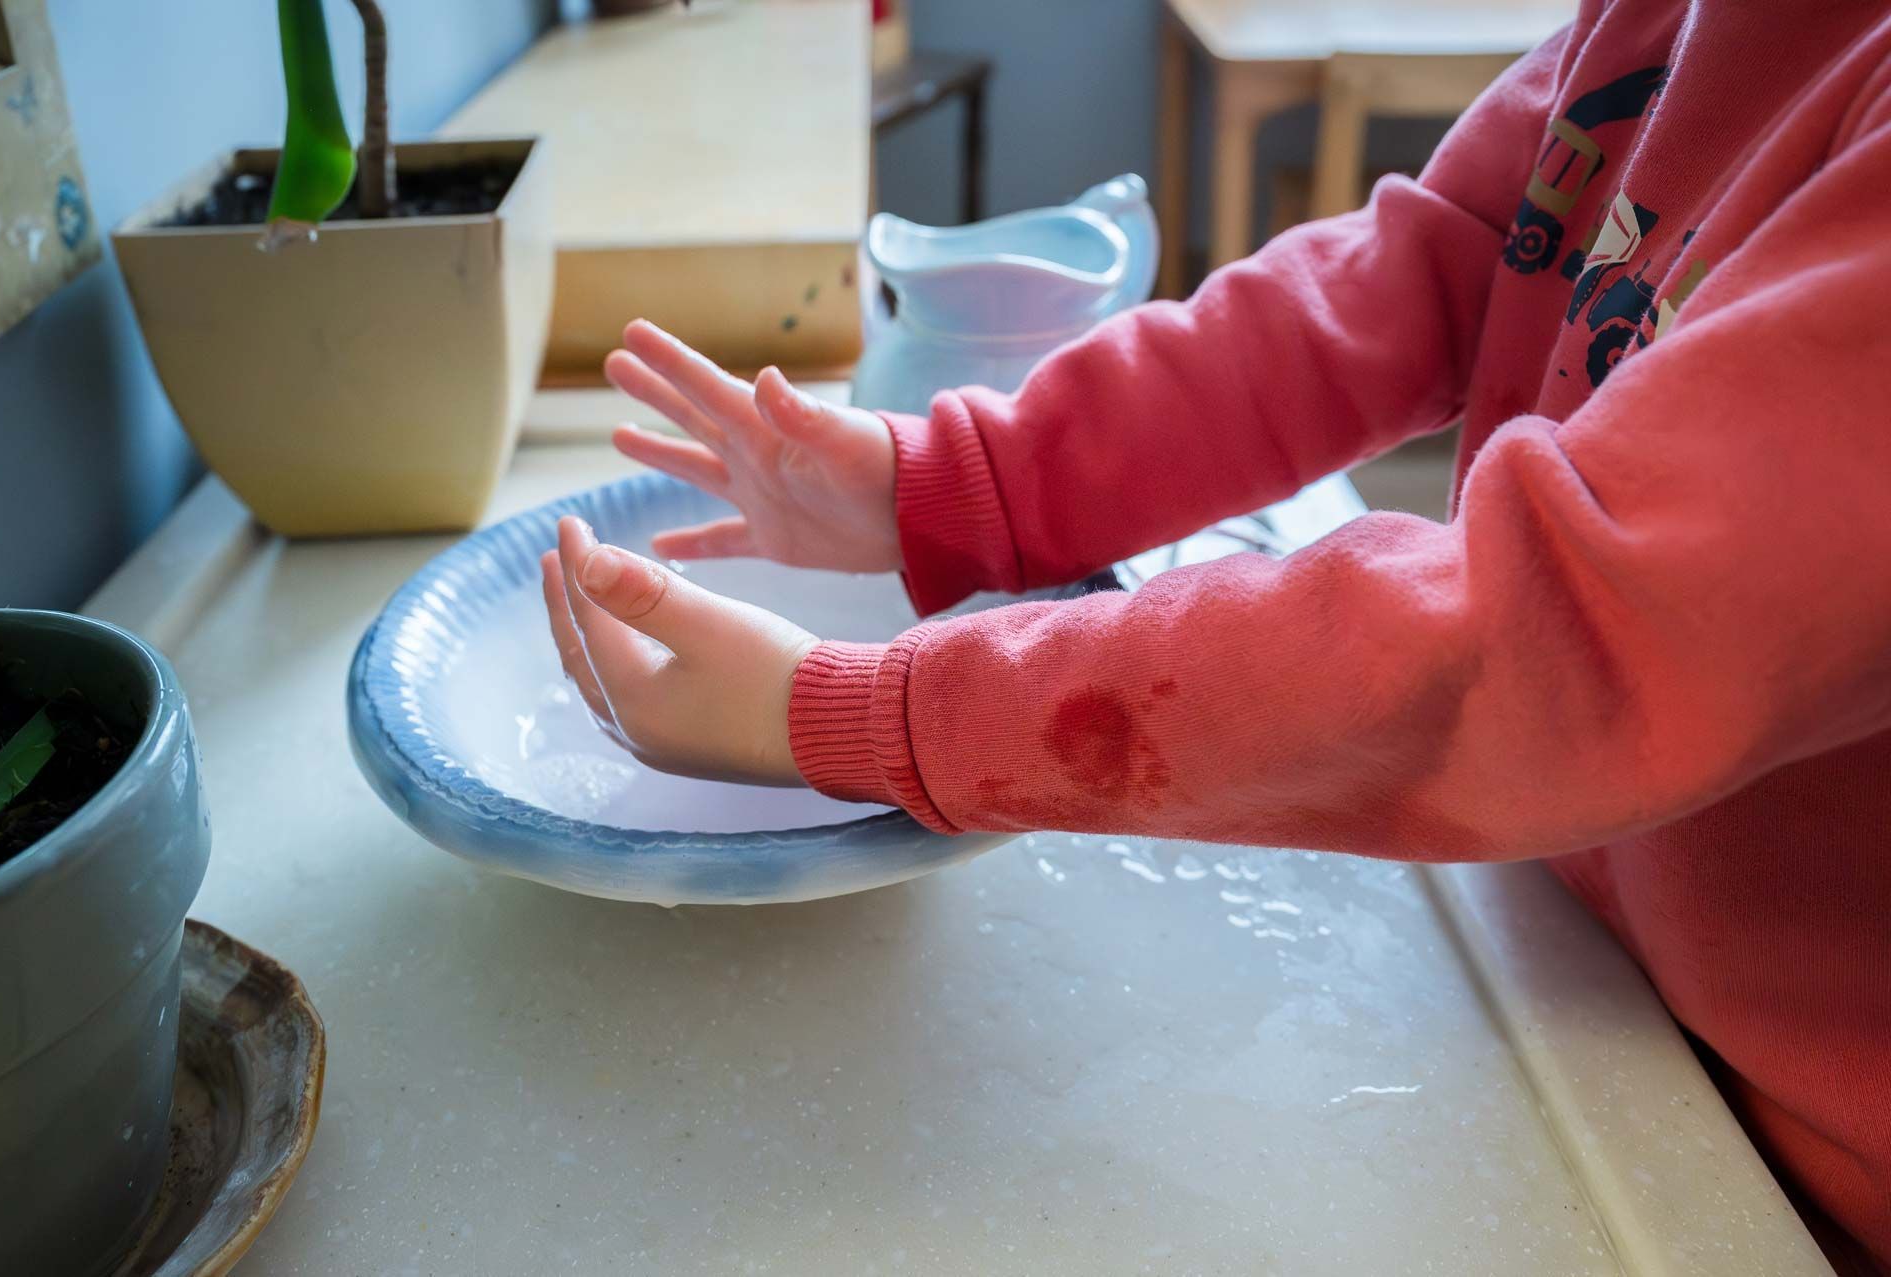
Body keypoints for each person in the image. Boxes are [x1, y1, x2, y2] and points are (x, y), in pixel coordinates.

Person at [538, 1, 1891, 1267]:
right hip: (1574, 971)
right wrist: (954, 484)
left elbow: (1554, 635)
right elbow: (1409, 273)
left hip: (1792, 1171)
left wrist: (859, 710)